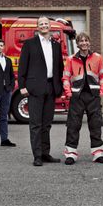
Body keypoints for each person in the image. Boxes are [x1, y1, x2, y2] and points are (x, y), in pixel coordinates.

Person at [18, 16, 64, 166]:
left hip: (51, 88)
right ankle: (37, 156)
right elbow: (22, 65)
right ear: (37, 27)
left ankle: (45, 153)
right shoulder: (30, 44)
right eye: (41, 24)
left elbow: (59, 68)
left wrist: (59, 86)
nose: (44, 26)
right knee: (36, 124)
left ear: (50, 26)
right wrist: (22, 85)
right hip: (35, 88)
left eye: (46, 24)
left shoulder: (56, 45)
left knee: (47, 124)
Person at [62, 32, 103, 165]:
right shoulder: (71, 59)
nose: (84, 43)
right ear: (77, 44)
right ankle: (71, 154)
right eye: (81, 41)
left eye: (86, 40)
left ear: (89, 42)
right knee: (73, 125)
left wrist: (101, 90)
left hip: (93, 96)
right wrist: (69, 93)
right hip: (76, 96)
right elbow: (65, 77)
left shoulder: (97, 58)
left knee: (96, 125)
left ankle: (98, 154)